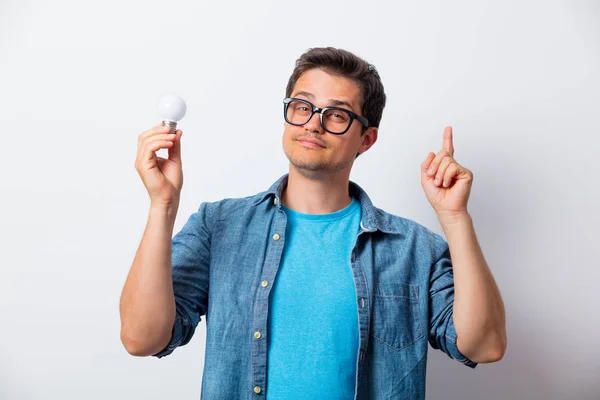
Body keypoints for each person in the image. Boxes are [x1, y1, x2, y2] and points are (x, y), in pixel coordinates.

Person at [120, 47, 507, 399]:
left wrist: (455, 218)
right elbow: (142, 339)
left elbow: (485, 345)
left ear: (366, 139)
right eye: (302, 107)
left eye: (336, 115)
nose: (313, 124)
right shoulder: (218, 227)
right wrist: (162, 205)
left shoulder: (413, 248)